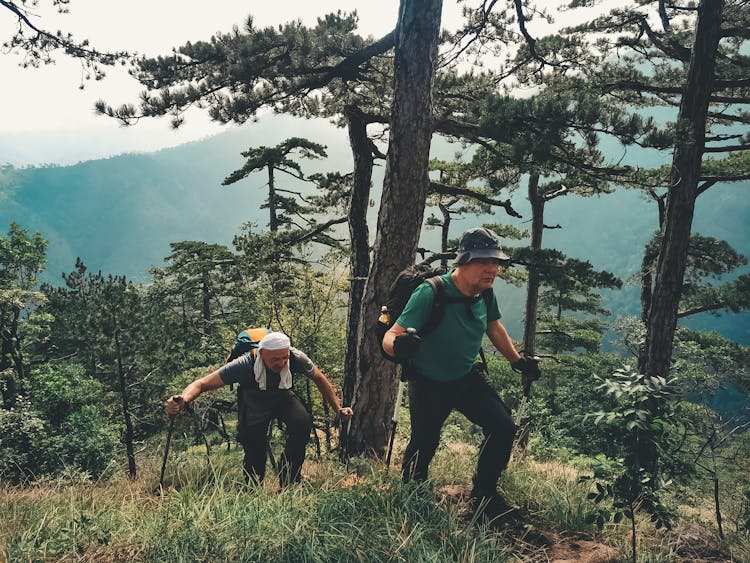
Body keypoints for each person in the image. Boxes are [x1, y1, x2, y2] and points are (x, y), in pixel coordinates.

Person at [382, 227, 540, 522]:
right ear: (463, 261)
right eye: (484, 261)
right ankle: (413, 497)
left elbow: (494, 327)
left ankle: (485, 497)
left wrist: (517, 361)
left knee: (503, 427)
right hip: (428, 381)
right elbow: (390, 336)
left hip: (465, 377)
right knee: (425, 441)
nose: (492, 269)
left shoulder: (485, 293)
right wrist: (399, 346)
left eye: (495, 262)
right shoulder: (431, 292)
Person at [166, 331, 353, 487]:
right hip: (253, 400)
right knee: (255, 446)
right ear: (261, 353)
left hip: (282, 395)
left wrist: (338, 409)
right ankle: (253, 487)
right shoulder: (243, 365)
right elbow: (201, 384)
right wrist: (184, 399)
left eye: (284, 358)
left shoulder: (296, 357)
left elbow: (319, 378)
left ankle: (289, 480)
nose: (281, 363)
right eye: (275, 360)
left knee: (302, 425)